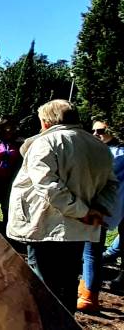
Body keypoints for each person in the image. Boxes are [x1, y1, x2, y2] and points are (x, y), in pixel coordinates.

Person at [6, 100, 118, 313]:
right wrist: (98, 209)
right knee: (66, 286)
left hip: (47, 227)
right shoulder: (99, 146)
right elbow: (112, 184)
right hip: (77, 229)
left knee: (42, 289)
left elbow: (47, 185)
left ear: (46, 122)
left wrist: (84, 212)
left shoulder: (46, 142)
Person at [79, 119, 124, 311]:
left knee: (91, 252)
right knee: (90, 251)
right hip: (102, 209)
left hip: (102, 210)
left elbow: (100, 178)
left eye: (101, 130)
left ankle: (89, 295)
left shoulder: (118, 154)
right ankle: (86, 287)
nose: (96, 134)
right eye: (93, 131)